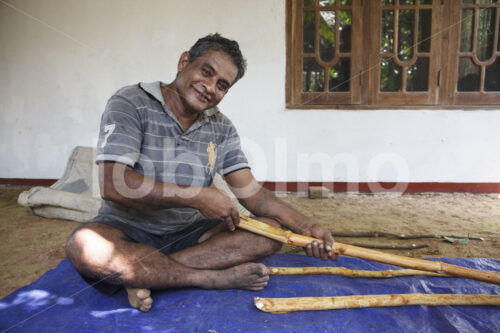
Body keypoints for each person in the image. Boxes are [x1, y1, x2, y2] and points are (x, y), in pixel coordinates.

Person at [65, 33, 337, 312]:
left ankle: (143, 274)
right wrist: (195, 196)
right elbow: (113, 185)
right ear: (184, 61)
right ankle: (209, 278)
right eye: (206, 73)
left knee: (272, 231)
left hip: (192, 236)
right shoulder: (130, 102)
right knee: (83, 244)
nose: (210, 88)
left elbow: (254, 195)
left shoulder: (222, 127)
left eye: (222, 85)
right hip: (127, 231)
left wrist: (307, 227)